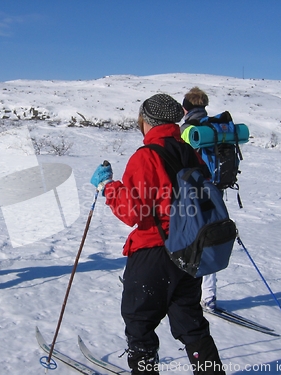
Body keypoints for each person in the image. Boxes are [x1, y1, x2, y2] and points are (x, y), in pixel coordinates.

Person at [91, 94, 225, 375]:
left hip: (154, 250)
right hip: (188, 251)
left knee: (139, 325)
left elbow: (133, 211)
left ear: (146, 121)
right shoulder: (190, 151)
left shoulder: (147, 156)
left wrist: (108, 186)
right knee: (191, 324)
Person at [181, 87, 217, 312]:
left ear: (185, 107)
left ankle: (178, 289)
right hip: (216, 191)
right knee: (211, 240)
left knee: (185, 238)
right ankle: (210, 297)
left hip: (192, 192)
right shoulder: (215, 128)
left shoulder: (187, 130)